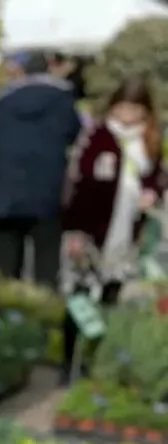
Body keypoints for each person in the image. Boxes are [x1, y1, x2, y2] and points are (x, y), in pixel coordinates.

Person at [61, 77, 165, 375]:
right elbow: (77, 183)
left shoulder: (150, 140)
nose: (127, 116)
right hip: (89, 230)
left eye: (134, 110)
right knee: (79, 294)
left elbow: (157, 177)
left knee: (112, 295)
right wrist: (74, 230)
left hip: (126, 233)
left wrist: (152, 194)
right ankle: (71, 361)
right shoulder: (97, 136)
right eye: (122, 108)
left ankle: (100, 360)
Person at [0, 51, 83, 288]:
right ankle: (45, 316)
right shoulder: (63, 101)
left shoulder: (2, 102)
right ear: (49, 68)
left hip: (5, 190)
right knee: (46, 265)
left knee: (2, 268)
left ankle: (0, 316)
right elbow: (75, 135)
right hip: (47, 191)